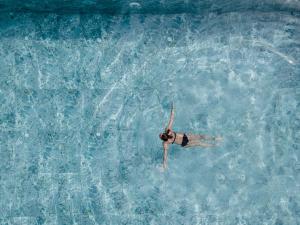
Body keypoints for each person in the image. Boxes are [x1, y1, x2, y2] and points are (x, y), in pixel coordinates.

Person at [159, 102, 222, 170]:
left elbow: (165, 155)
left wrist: (173, 109)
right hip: (185, 142)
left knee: (200, 139)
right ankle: (214, 143)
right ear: (163, 136)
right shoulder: (167, 137)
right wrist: (173, 109)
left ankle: (215, 140)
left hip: (186, 137)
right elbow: (171, 118)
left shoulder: (166, 138)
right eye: (160, 135)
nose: (160, 135)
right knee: (200, 141)